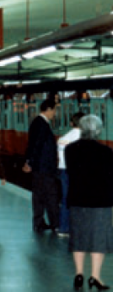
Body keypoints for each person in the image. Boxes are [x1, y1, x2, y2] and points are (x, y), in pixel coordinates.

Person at [65, 115, 113, 292]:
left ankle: (79, 273)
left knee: (79, 237)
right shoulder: (106, 151)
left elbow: (72, 172)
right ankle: (95, 277)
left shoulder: (70, 150)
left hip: (77, 199)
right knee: (98, 239)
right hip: (100, 201)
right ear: (98, 131)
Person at [23, 98, 59, 233]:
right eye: (54, 110)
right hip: (44, 167)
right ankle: (55, 222)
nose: (55, 113)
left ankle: (39, 222)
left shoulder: (37, 123)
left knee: (39, 195)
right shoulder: (41, 124)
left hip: (39, 167)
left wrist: (29, 162)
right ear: (49, 109)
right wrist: (30, 162)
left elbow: (32, 145)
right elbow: (36, 146)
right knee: (50, 194)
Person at [56, 112, 85, 238]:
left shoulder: (64, 138)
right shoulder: (81, 138)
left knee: (65, 199)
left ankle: (63, 228)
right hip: (76, 172)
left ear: (71, 123)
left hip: (63, 170)